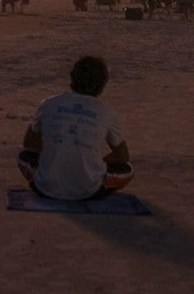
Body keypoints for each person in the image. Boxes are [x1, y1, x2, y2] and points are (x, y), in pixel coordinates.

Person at [19, 56, 132, 200]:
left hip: (45, 188)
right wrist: (98, 163)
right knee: (127, 170)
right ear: (103, 83)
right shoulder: (107, 112)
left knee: (23, 155)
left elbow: (29, 143)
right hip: (89, 192)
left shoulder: (49, 103)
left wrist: (56, 153)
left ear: (72, 76)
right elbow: (122, 155)